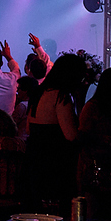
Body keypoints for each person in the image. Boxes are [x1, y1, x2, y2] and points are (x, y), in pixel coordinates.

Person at [25, 53, 82, 206]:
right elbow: (71, 135)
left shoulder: (39, 92)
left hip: (34, 158)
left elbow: (28, 129)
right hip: (54, 162)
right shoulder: (61, 96)